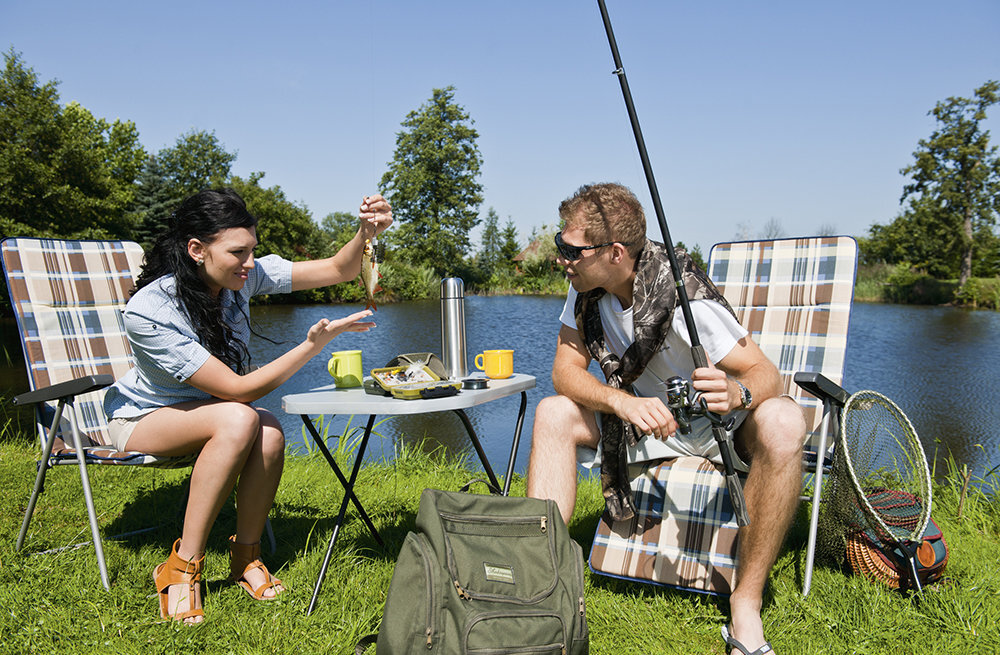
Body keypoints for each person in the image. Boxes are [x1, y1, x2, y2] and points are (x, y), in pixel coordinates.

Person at [526, 183, 805, 655]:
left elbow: (767, 376)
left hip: (716, 429)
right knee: (554, 412)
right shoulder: (584, 291)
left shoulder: (685, 298)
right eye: (561, 246)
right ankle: (537, 580)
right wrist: (621, 402)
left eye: (569, 249)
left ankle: (746, 604)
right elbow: (564, 373)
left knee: (784, 422)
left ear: (615, 253)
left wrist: (738, 392)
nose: (561, 258)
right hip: (641, 423)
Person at [102, 187, 392, 624]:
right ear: (197, 250)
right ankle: (181, 568)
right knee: (241, 417)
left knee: (270, 429)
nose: (251, 263)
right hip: (144, 419)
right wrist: (314, 345)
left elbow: (338, 268)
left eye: (253, 250)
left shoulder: (241, 276)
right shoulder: (149, 311)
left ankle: (245, 556)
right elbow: (237, 392)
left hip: (214, 415)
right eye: (238, 252)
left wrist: (365, 232)